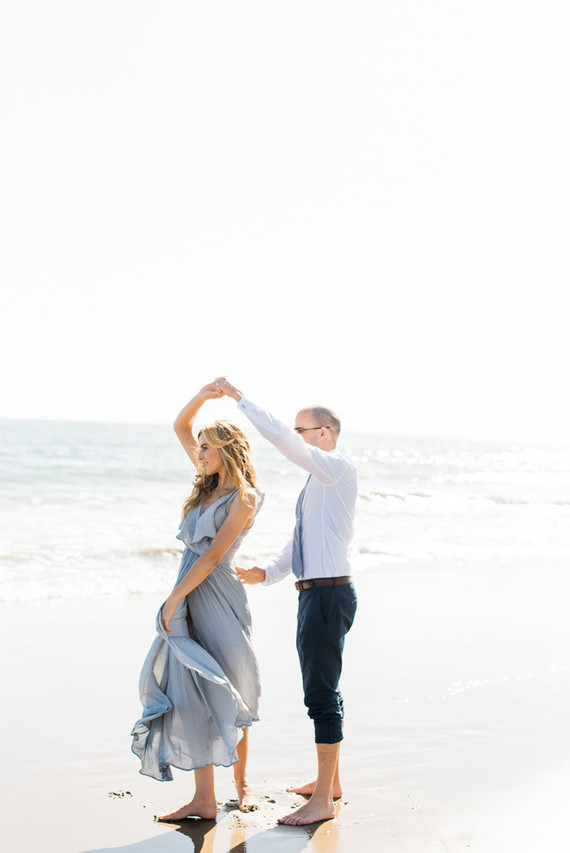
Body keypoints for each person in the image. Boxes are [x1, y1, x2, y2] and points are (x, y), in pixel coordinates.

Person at [215, 377, 358, 827]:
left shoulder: (337, 468)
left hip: (329, 596)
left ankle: (323, 803)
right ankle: (329, 784)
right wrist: (268, 574)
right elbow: (300, 543)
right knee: (321, 690)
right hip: (315, 594)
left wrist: (242, 400)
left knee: (321, 694)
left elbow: (279, 439)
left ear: (325, 434)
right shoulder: (315, 485)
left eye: (302, 431)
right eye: (296, 431)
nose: (295, 438)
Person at [131, 381, 263, 820]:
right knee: (190, 687)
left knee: (231, 687)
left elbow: (211, 557)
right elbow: (180, 425)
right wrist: (206, 394)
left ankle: (240, 786)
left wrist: (173, 600)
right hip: (187, 592)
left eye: (207, 447)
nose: (200, 452)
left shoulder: (243, 497)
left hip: (216, 597)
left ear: (226, 450)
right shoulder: (205, 484)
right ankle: (204, 799)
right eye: (200, 447)